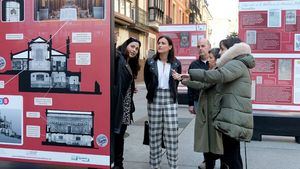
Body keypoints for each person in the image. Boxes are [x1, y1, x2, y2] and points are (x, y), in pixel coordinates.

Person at [184, 37, 255, 169]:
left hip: (232, 117)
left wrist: (191, 74)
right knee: (231, 155)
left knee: (231, 157)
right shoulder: (238, 64)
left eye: (222, 49)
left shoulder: (236, 64)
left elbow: (217, 76)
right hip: (231, 116)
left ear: (232, 50)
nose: (220, 53)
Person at [144, 35, 182, 169]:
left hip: (170, 98)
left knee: (171, 134)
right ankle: (154, 165)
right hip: (154, 98)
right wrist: (153, 91)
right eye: (158, 43)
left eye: (163, 43)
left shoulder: (176, 63)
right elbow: (147, 81)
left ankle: (173, 166)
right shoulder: (150, 62)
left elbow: (176, 82)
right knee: (154, 134)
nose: (159, 45)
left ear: (170, 47)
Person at [112, 37, 141, 169]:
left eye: (136, 49)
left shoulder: (129, 63)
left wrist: (131, 87)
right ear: (126, 46)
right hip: (118, 105)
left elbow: (125, 80)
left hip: (125, 105)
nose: (134, 50)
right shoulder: (118, 57)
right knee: (117, 136)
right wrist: (113, 42)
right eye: (132, 46)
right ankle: (117, 164)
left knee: (120, 136)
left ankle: (118, 163)